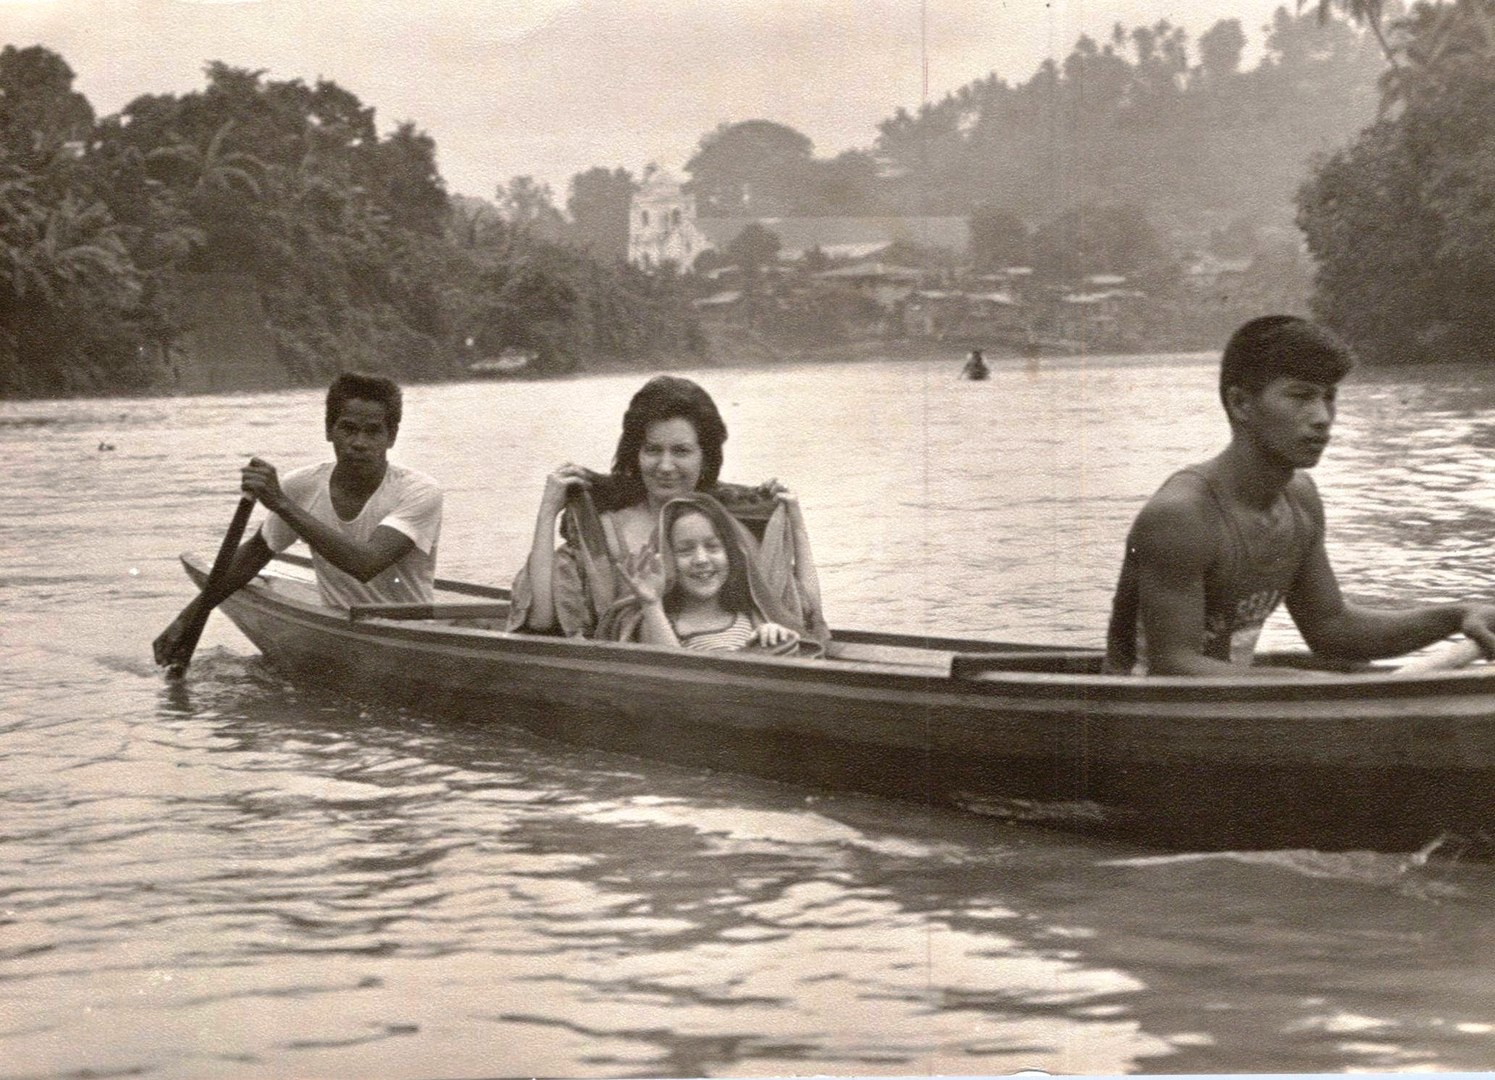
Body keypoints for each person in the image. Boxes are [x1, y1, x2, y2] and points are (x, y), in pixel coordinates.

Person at [1104, 314, 1495, 677]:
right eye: (1301, 396)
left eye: (1329, 397)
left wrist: (1457, 616)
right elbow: (1173, 666)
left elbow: (1332, 629)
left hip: (1233, 706)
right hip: (1146, 711)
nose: (1323, 417)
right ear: (1241, 404)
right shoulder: (1181, 515)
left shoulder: (1299, 498)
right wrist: (1305, 683)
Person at [508, 374, 827, 643]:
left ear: (705, 458)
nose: (665, 466)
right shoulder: (603, 533)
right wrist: (547, 513)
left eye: (681, 451)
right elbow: (540, 620)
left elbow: (805, 616)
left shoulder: (728, 529)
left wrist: (796, 524)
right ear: (636, 455)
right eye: (652, 450)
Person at [153, 372, 443, 667]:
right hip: (343, 631)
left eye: (373, 432)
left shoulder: (419, 491)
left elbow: (365, 564)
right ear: (329, 430)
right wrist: (189, 618)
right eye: (348, 429)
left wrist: (281, 503)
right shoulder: (302, 486)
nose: (359, 443)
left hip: (412, 635)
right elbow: (255, 554)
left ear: (391, 437)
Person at [603, 493, 804, 653]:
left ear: (731, 554)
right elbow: (671, 672)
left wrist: (774, 636)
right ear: (668, 561)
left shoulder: (750, 616)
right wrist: (651, 604)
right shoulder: (659, 622)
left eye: (713, 546)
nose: (701, 559)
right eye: (685, 550)